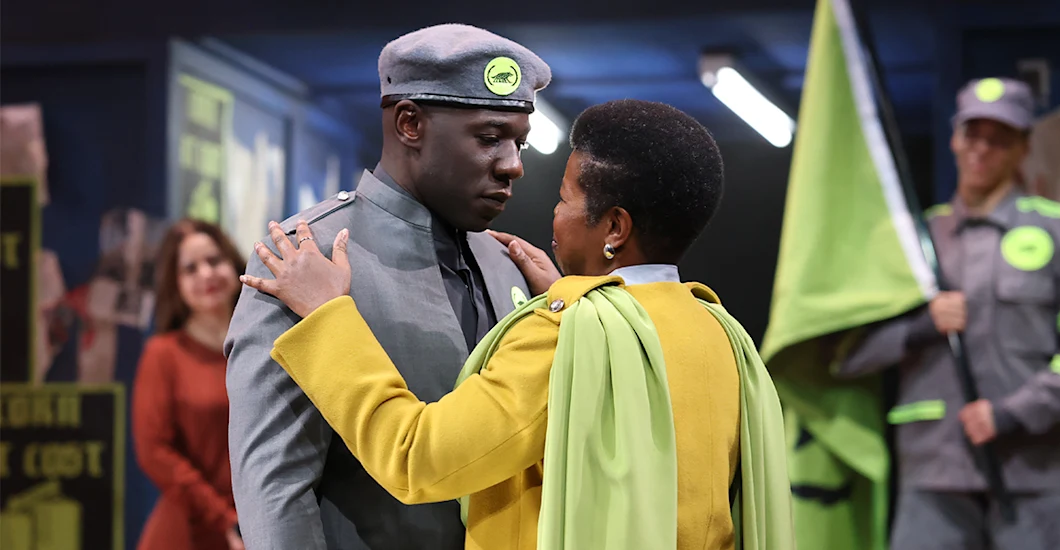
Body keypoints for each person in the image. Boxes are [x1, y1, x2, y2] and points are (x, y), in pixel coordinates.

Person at [240, 99, 795, 550]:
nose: (551, 214)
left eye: (565, 199)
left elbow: (416, 457)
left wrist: (326, 318)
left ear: (614, 228)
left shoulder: (567, 338)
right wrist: (572, 294)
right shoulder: (720, 332)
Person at [224, 24, 550, 550]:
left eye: (519, 142)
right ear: (409, 124)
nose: (513, 164)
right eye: (489, 138)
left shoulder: (512, 263)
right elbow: (275, 486)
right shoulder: (305, 259)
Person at [838, 78, 1060, 549]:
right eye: (972, 134)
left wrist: (1015, 413)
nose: (982, 149)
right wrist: (920, 327)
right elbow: (845, 353)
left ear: (1023, 147)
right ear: (955, 139)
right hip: (933, 474)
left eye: (1000, 138)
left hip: (1035, 474)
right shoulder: (914, 242)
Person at [133, 219, 246, 550]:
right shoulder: (163, 355)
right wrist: (225, 519)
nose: (206, 274)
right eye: (190, 268)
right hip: (193, 533)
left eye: (214, 260)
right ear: (175, 284)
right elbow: (154, 452)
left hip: (267, 523)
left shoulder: (269, 344)